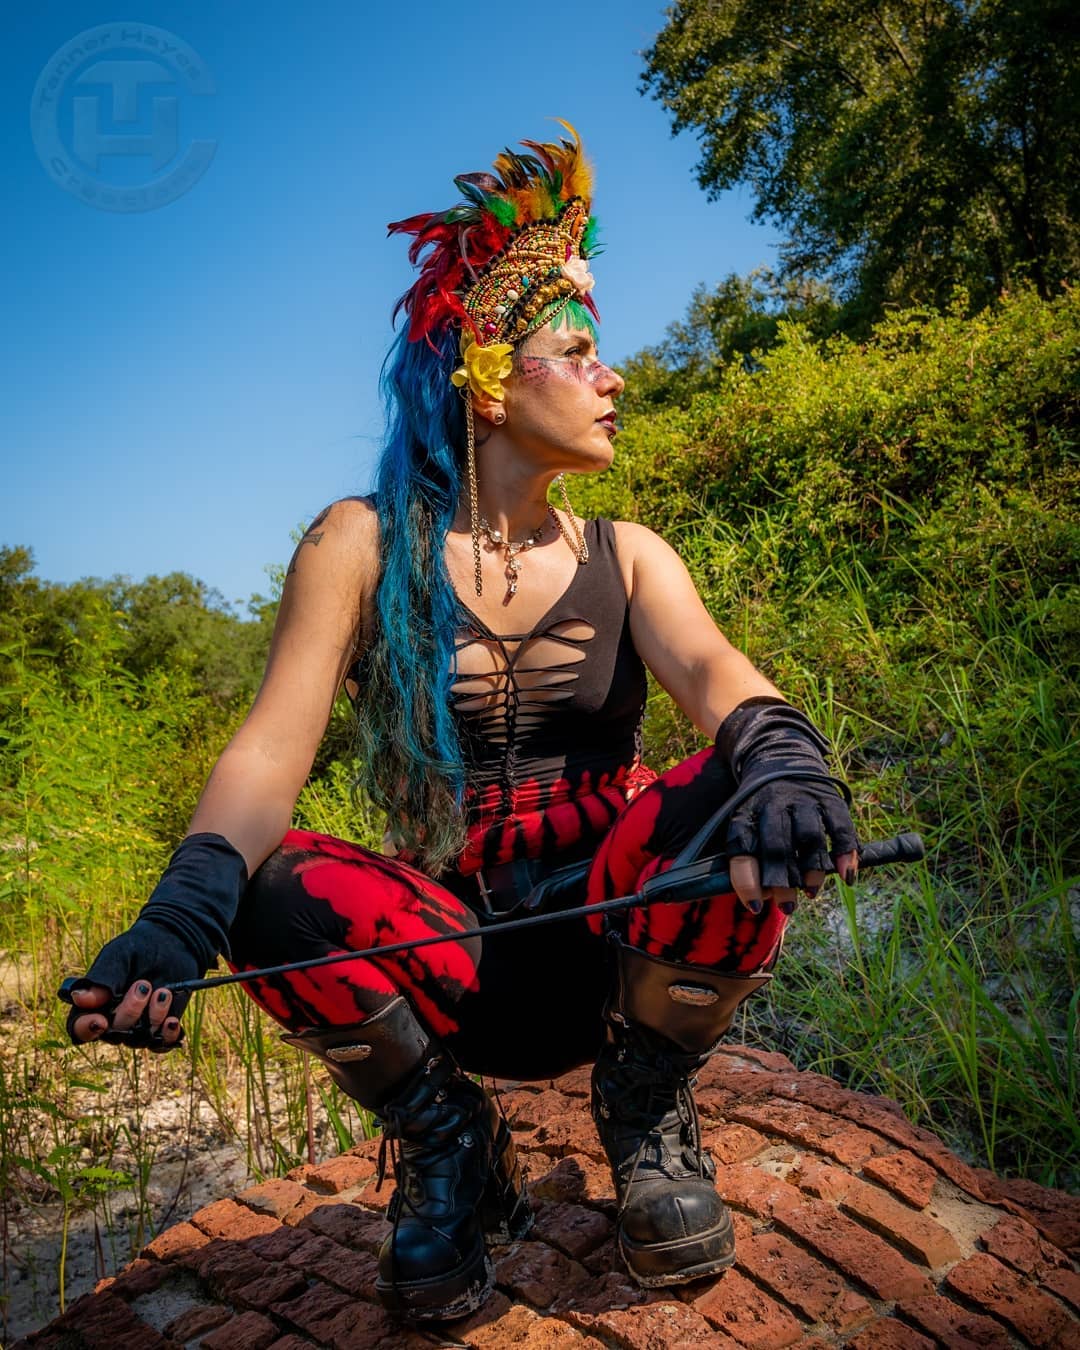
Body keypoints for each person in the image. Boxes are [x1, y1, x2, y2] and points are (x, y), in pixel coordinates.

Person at [64, 123, 858, 1322]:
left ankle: (645, 1107)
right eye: (580, 351)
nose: (615, 378)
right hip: (456, 963)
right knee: (268, 884)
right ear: (490, 372)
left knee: (735, 781)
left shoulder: (631, 554)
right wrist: (182, 914)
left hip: (622, 951)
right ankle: (450, 1146)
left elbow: (716, 673)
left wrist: (788, 759)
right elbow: (271, 749)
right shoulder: (359, 545)